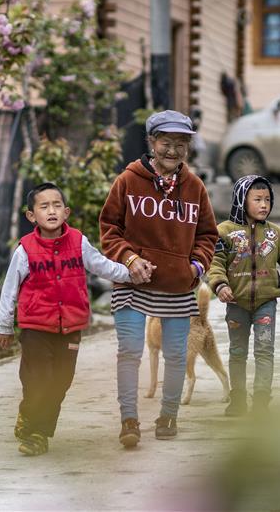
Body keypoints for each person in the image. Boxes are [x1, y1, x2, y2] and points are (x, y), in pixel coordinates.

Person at [100, 110, 218, 448]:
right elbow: (109, 228)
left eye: (181, 144)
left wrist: (195, 267)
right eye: (166, 142)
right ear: (152, 142)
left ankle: (168, 415)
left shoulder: (194, 187)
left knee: (177, 355)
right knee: (130, 351)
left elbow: (208, 234)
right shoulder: (128, 181)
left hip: (177, 286)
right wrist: (129, 258)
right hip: (132, 285)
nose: (173, 150)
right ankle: (129, 420)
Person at [0, 182, 136, 456]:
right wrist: (4, 326)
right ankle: (37, 432)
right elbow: (9, 289)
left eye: (57, 205)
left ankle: (32, 419)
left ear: (67, 212)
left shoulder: (79, 242)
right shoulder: (25, 250)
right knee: (37, 380)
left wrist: (132, 273)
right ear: (31, 216)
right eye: (44, 206)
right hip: (36, 327)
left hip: (70, 327)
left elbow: (102, 266)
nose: (51, 211)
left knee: (61, 380)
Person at [208, 175, 280, 416]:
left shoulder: (276, 234)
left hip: (266, 304)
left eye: (267, 199)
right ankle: (237, 400)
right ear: (241, 200)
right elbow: (214, 262)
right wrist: (220, 285)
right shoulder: (223, 233)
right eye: (257, 199)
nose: (264, 205)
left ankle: (260, 401)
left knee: (264, 351)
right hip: (236, 303)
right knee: (237, 352)